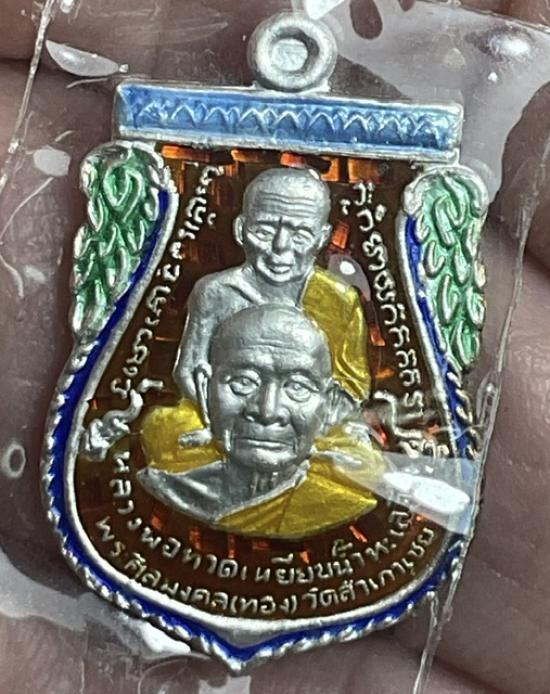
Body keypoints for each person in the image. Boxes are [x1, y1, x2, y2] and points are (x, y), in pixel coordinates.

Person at [142, 166, 371, 472]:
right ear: (241, 229)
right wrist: (222, 422)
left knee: (366, 463)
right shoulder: (216, 292)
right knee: (165, 432)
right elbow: (189, 372)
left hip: (304, 423)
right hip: (227, 417)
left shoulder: (337, 299)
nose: (280, 247)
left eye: (300, 235)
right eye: (264, 231)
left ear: (322, 238)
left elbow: (353, 386)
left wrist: (304, 427)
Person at [138, 306, 384, 538]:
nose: (268, 411)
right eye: (243, 382)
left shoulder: (339, 505)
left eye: (297, 387)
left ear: (329, 405)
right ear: (204, 389)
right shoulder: (169, 488)